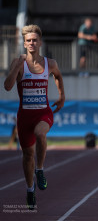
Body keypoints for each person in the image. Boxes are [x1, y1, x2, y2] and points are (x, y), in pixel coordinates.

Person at [4, 25, 65, 210]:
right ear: (24, 44)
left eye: (35, 40)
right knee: (27, 155)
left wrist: (62, 96)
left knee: (41, 134)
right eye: (28, 40)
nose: (32, 43)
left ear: (40, 43)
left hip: (43, 113)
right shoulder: (19, 63)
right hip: (24, 116)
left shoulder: (50, 63)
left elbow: (58, 76)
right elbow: (7, 86)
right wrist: (16, 65)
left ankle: (40, 170)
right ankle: (30, 189)